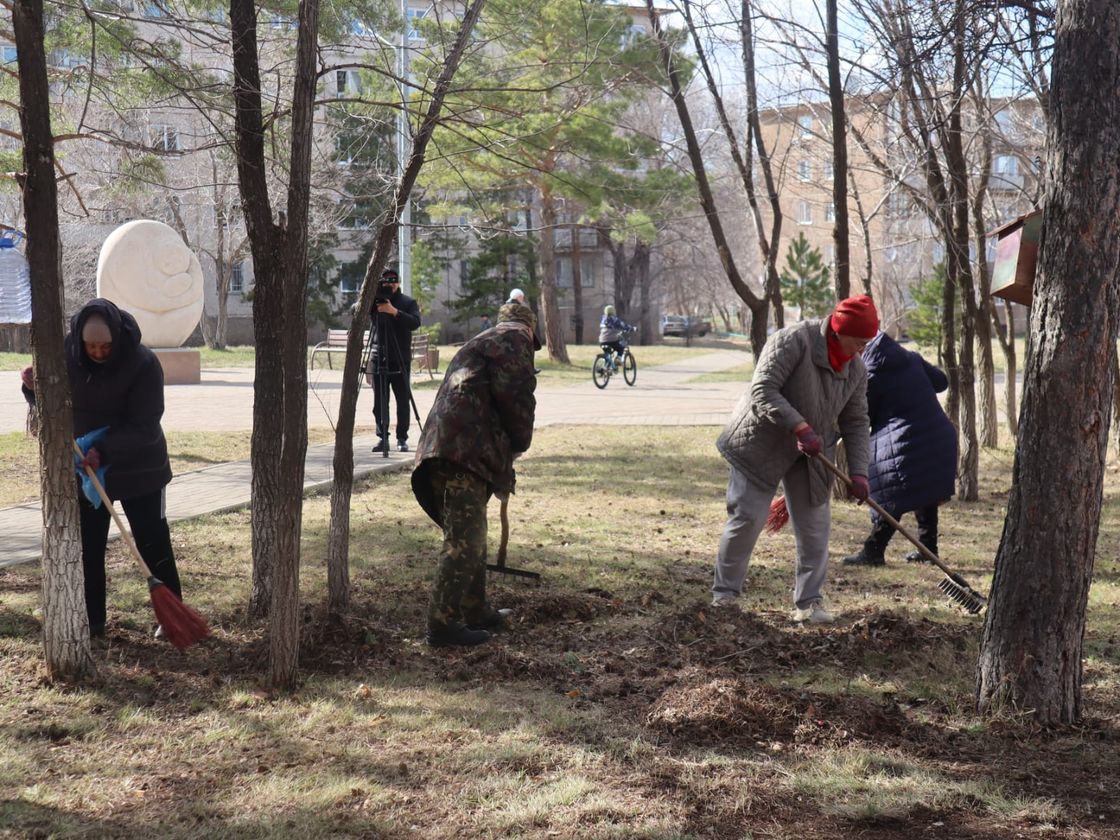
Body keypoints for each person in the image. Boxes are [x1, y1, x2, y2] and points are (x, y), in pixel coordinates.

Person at [711, 295, 879, 624]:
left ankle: (809, 604)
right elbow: (763, 390)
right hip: (761, 443)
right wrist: (800, 426)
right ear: (839, 330)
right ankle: (724, 598)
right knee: (747, 518)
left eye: (865, 343)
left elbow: (857, 421)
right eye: (858, 341)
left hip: (813, 454)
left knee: (816, 528)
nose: (861, 350)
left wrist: (860, 473)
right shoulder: (793, 341)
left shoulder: (856, 369)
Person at [20, 298, 180, 641]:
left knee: (152, 542)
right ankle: (92, 621)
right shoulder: (66, 355)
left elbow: (146, 425)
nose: (97, 352)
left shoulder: (143, 363)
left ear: (117, 340)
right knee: (88, 547)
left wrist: (103, 449)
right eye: (91, 346)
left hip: (141, 468)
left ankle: (173, 616)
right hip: (87, 470)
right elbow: (53, 405)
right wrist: (32, 389)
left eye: (105, 346)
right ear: (80, 340)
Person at [411, 302, 539, 647]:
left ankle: (475, 609)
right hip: (461, 452)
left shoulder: (485, 340)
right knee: (464, 540)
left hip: (448, 447)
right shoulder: (514, 339)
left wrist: (503, 468)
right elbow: (516, 397)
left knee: (471, 536)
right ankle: (441, 626)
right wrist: (520, 442)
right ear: (530, 328)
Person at [842, 331, 957, 566]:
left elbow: (864, 416)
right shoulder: (912, 359)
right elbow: (941, 381)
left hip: (907, 439)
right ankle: (928, 550)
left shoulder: (870, 375)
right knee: (925, 491)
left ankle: (873, 550)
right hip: (939, 435)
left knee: (891, 494)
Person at [369, 268, 421, 453]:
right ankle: (382, 437)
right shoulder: (374, 300)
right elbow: (354, 310)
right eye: (386, 281)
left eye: (393, 281)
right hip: (379, 357)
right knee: (380, 402)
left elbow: (415, 322)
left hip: (400, 358)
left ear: (398, 283)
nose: (390, 284)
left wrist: (394, 312)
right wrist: (369, 294)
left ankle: (402, 438)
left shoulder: (407, 302)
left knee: (402, 400)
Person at [598, 305, 634, 370]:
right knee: (620, 348)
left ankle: (606, 368)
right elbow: (623, 325)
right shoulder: (614, 319)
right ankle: (618, 359)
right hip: (611, 340)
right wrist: (631, 328)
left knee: (608, 353)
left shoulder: (603, 319)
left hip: (602, 340)